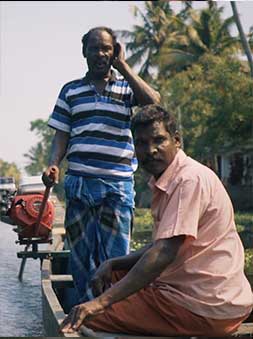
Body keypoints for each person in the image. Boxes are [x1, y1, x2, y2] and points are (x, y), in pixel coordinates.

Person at [60, 104, 253, 337]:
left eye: (159, 140)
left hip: (205, 305)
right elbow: (160, 245)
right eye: (141, 143)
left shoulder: (188, 180)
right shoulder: (169, 180)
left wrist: (98, 304)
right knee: (114, 275)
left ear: (177, 140)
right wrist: (114, 263)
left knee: (90, 321)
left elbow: (163, 252)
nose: (150, 150)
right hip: (204, 295)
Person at [42, 27, 160, 303]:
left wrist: (124, 66)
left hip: (117, 185)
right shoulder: (71, 90)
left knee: (116, 257)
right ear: (84, 52)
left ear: (114, 51)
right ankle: (84, 310)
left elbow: (153, 102)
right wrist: (53, 165)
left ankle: (114, 311)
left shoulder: (125, 88)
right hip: (80, 184)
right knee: (81, 257)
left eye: (106, 48)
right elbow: (62, 135)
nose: (100, 54)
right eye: (94, 48)